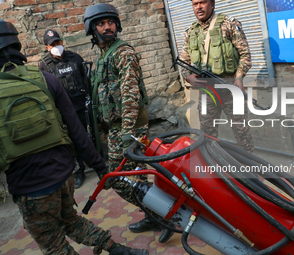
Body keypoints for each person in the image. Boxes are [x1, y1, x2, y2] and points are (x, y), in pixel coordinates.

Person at [0, 19, 148, 255]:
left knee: (54, 245)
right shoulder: (43, 77)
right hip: (63, 174)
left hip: (30, 186)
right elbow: (77, 132)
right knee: (70, 220)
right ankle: (120, 249)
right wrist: (100, 167)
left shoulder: (77, 60)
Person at [83, 3, 174, 243]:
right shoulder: (104, 55)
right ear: (92, 29)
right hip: (117, 128)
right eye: (101, 24)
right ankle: (156, 215)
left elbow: (131, 94)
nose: (107, 27)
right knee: (135, 179)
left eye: (110, 22)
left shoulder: (122, 52)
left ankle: (162, 215)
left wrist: (126, 136)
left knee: (119, 180)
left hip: (130, 128)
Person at [181, 0, 254, 153]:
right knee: (207, 133)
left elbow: (245, 55)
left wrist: (239, 78)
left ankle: (249, 169)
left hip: (229, 87)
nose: (199, 7)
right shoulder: (190, 32)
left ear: (212, 3)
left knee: (241, 132)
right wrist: (188, 78)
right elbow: (184, 62)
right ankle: (213, 166)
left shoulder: (229, 24)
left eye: (202, 2)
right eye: (195, 4)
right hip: (206, 90)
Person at [38, 29, 89, 189]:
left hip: (81, 108)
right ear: (47, 47)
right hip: (62, 113)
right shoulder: (44, 65)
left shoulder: (75, 58)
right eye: (52, 44)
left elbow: (87, 80)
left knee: (83, 138)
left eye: (58, 42)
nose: (57, 46)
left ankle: (92, 163)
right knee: (70, 143)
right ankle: (78, 171)